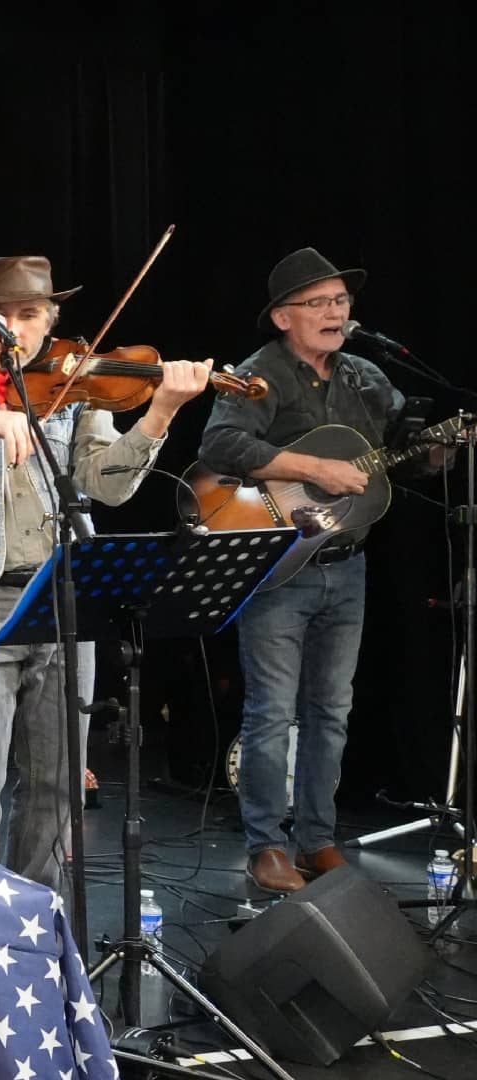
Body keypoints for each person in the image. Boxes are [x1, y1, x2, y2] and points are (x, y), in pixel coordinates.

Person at [0, 255, 209, 889]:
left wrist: (159, 414)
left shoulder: (75, 393)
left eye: (30, 315)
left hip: (66, 598)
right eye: (2, 316)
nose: (16, 329)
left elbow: (110, 485)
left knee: (59, 785)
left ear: (51, 321)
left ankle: (33, 922)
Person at [198, 247, 447, 894]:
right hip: (276, 565)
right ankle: (265, 846)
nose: (336, 312)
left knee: (332, 711)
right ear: (283, 317)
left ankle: (315, 838)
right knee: (273, 711)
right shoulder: (258, 375)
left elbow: (405, 455)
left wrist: (437, 447)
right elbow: (221, 446)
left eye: (342, 301)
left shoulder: (365, 376)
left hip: (348, 563)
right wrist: (312, 468)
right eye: (320, 303)